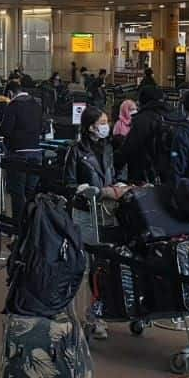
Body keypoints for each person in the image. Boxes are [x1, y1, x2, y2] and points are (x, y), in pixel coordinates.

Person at [63, 105, 128, 338]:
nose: (105, 126)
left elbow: (117, 172)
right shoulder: (76, 150)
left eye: (106, 121)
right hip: (85, 212)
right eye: (101, 122)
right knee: (88, 263)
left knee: (104, 264)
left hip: (108, 210)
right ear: (90, 126)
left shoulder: (109, 149)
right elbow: (68, 182)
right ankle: (82, 313)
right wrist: (81, 190)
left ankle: (99, 312)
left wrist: (120, 184)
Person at [0, 79, 44, 223]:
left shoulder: (13, 106)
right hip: (36, 152)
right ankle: (32, 225)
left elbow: (6, 130)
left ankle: (17, 226)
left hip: (18, 154)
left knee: (17, 192)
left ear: (11, 93)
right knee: (31, 192)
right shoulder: (36, 104)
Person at [120, 84, 178, 185]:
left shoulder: (143, 118)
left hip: (146, 173)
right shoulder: (175, 115)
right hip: (172, 170)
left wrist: (116, 165)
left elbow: (130, 146)